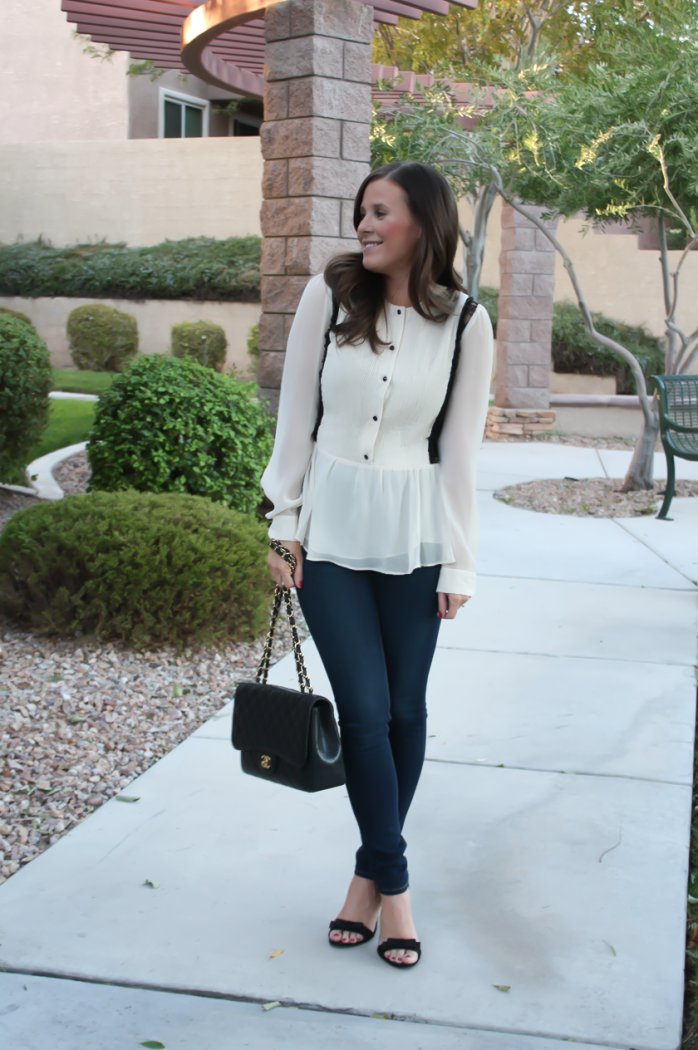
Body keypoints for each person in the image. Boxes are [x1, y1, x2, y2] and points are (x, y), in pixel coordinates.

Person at [261, 161, 493, 969]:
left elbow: (460, 453)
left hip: (416, 535)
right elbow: (296, 417)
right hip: (329, 532)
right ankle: (396, 890)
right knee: (360, 712)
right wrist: (283, 521)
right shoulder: (329, 297)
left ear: (424, 224)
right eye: (361, 211)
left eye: (380, 212)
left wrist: (459, 565)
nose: (364, 225)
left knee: (404, 711)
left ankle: (362, 881)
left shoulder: (466, 321)